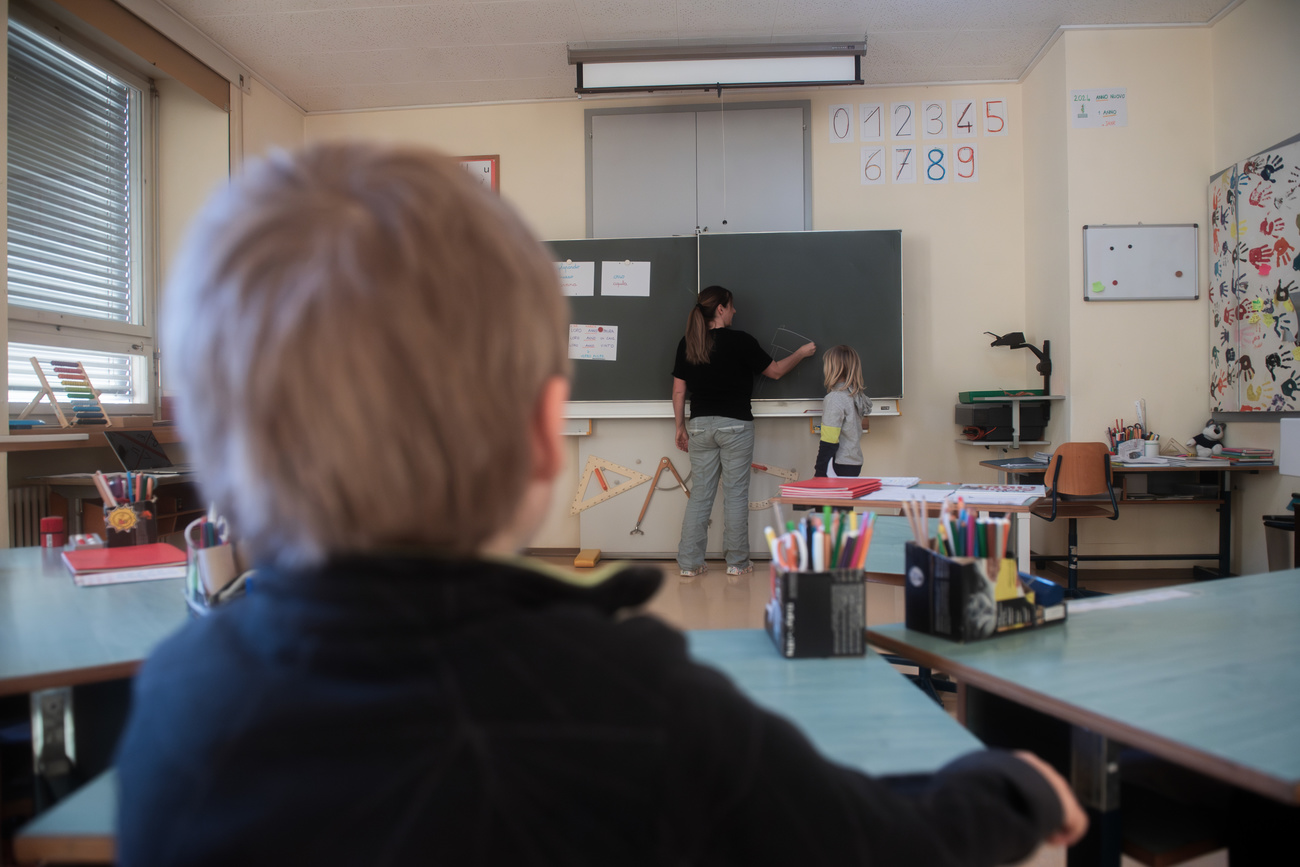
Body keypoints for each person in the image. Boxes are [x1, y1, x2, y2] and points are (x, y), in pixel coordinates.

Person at [115, 142, 1086, 866]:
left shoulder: (171, 701)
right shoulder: (635, 704)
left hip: (692, 434)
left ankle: (705, 561)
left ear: (202, 436)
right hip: (733, 436)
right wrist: (1000, 786)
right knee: (731, 513)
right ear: (547, 432)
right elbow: (874, 846)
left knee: (697, 518)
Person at [672, 287, 815, 580]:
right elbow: (774, 372)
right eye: (732, 306)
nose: (735, 311)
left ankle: (689, 563)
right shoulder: (741, 341)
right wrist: (800, 353)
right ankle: (737, 563)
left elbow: (678, 389)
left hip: (699, 425)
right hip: (736, 425)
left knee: (700, 496)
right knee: (736, 496)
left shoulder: (689, 342)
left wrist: (679, 426)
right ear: (721, 309)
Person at [815, 344, 873, 477]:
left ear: (832, 369)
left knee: (833, 498)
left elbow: (829, 440)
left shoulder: (835, 398)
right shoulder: (856, 395)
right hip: (854, 461)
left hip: (838, 464)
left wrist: (819, 472)